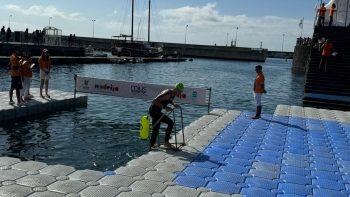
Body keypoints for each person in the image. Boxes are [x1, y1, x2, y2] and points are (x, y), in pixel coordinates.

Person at [149, 83, 184, 150]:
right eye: (179, 91)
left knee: (155, 130)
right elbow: (154, 101)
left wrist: (174, 104)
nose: (180, 93)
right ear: (175, 89)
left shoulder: (173, 94)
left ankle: (151, 147)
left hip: (157, 111)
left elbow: (169, 100)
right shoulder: (167, 93)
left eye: (181, 92)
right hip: (154, 111)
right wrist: (165, 107)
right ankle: (166, 143)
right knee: (170, 123)